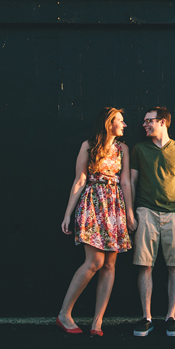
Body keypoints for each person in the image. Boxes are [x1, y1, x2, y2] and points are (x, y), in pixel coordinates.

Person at [58, 107, 136, 336]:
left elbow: (126, 183)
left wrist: (129, 212)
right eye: (120, 121)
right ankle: (64, 314)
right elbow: (80, 179)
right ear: (108, 123)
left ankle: (97, 322)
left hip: (114, 206)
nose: (124, 125)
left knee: (110, 264)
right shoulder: (88, 146)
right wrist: (67, 213)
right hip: (93, 204)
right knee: (94, 262)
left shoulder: (123, 149)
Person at [130, 107, 175, 337]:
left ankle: (171, 317)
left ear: (163, 122)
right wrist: (132, 212)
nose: (144, 125)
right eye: (144, 121)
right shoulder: (139, 149)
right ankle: (146, 317)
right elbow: (132, 182)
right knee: (145, 265)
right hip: (145, 212)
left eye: (149, 121)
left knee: (174, 266)